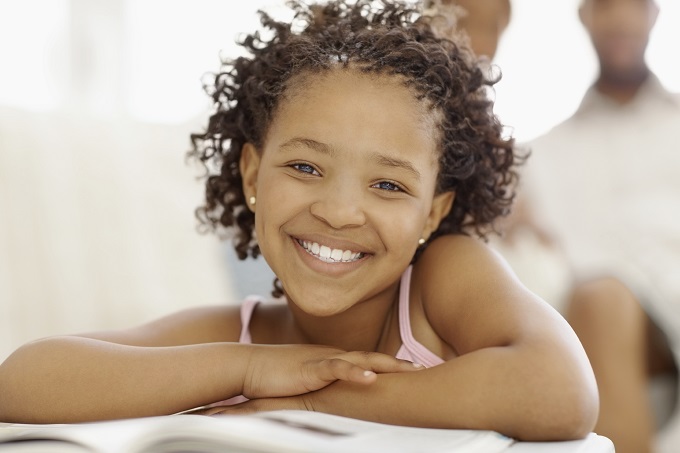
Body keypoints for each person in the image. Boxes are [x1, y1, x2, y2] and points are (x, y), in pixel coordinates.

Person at [0, 0, 598, 441]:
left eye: (388, 184)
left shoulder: (440, 281)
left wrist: (319, 399)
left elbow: (559, 390)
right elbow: (21, 381)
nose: (338, 211)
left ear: (433, 211)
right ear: (253, 175)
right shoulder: (238, 337)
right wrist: (254, 369)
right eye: (306, 167)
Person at [507, 0, 680, 452]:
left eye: (634, 5)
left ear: (654, 15)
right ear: (585, 16)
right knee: (600, 296)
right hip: (589, 312)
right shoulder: (539, 156)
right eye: (606, 6)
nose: (621, 18)